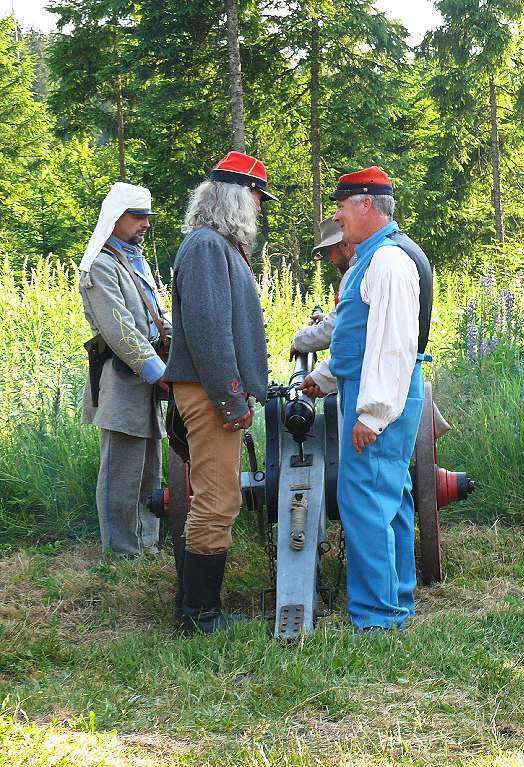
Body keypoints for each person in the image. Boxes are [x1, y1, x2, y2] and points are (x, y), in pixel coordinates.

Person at [298, 166, 433, 631]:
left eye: (341, 207)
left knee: (367, 500)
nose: (338, 216)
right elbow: (358, 340)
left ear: (366, 205)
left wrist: (372, 414)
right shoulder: (373, 259)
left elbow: (392, 346)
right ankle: (394, 603)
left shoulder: (388, 262)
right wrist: (328, 378)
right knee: (388, 498)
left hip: (382, 396)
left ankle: (378, 616)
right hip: (374, 388)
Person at [162, 151, 276, 634]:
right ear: (235, 196)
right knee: (218, 502)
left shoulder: (214, 245)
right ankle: (199, 616)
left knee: (215, 498)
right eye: (255, 195)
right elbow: (210, 333)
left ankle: (193, 608)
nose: (258, 205)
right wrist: (231, 399)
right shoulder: (208, 248)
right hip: (209, 394)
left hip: (209, 391)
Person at [79, 182, 170, 558]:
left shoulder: (134, 260)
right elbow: (119, 330)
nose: (145, 224)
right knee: (121, 472)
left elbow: (154, 318)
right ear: (114, 218)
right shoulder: (101, 265)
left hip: (147, 376)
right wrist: (158, 372)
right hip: (121, 379)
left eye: (147, 216)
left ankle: (146, 545)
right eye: (137, 216)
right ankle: (120, 552)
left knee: (150, 468)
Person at [290, 217, 356, 396]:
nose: (330, 260)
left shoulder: (354, 275)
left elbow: (335, 330)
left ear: (343, 246)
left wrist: (298, 340)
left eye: (329, 252)